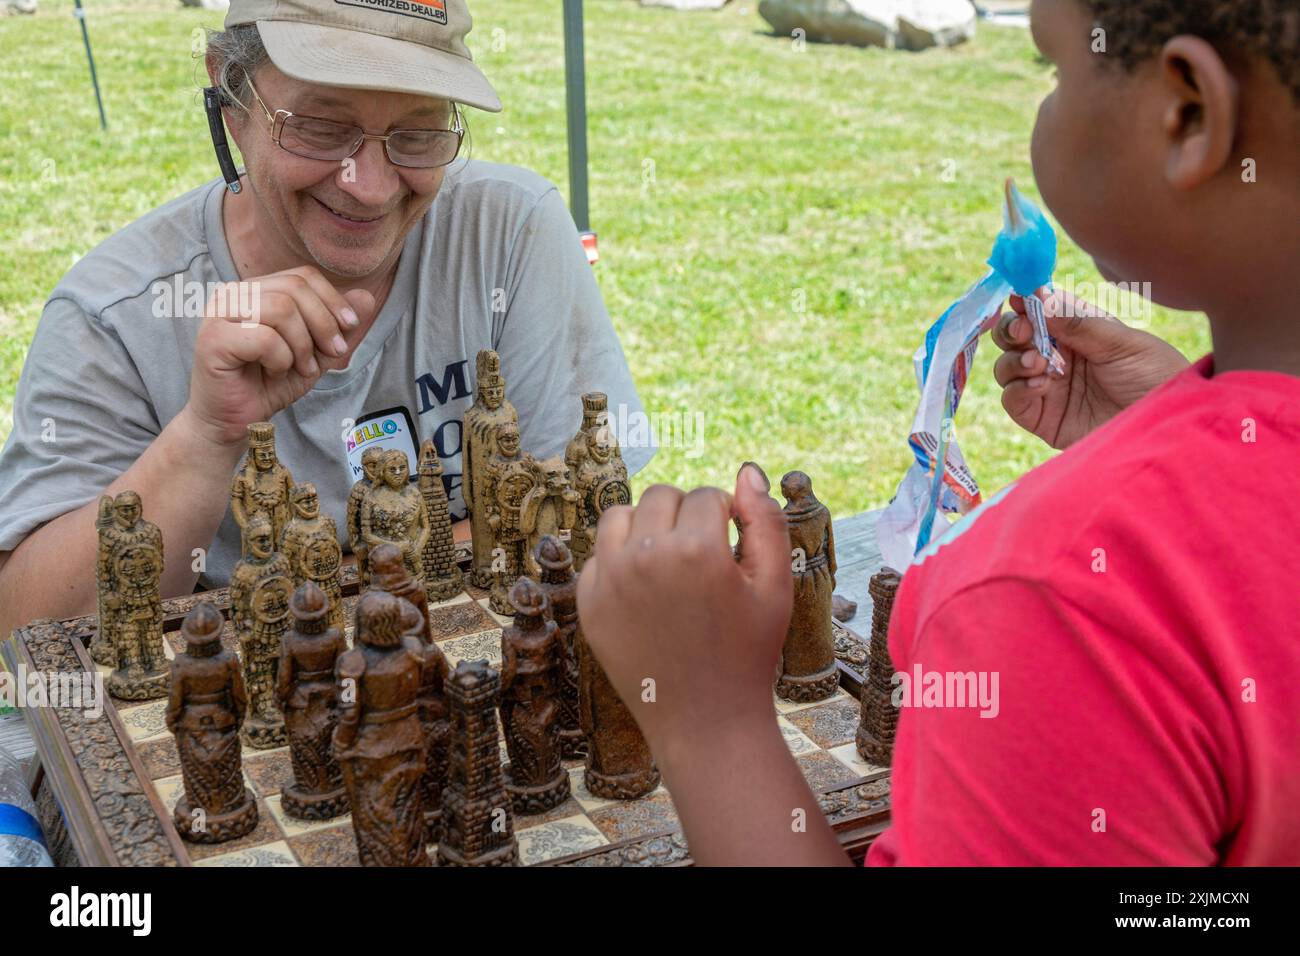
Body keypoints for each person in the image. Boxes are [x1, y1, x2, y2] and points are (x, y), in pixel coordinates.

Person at [576, 0, 1300, 865]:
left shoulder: (1056, 603)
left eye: (1054, 70)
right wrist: (1171, 438)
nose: (1046, 102)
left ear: (1187, 114)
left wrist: (710, 725)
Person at [0, 0, 652, 636]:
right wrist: (204, 436)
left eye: (418, 132)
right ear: (230, 99)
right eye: (319, 125)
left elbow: (586, 520)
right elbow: (27, 638)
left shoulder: (507, 234)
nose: (368, 184)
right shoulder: (116, 317)